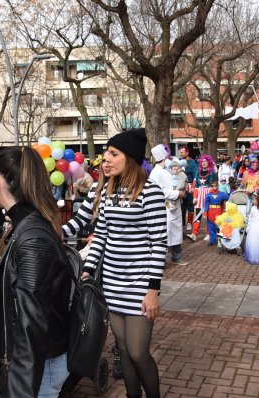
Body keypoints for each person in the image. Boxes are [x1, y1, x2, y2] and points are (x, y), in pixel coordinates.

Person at [0, 147, 72, 397]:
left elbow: (33, 324)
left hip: (41, 365)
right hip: (39, 362)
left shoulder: (32, 239)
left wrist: (19, 390)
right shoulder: (27, 224)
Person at [82, 128, 166, 398]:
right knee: (125, 351)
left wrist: (153, 290)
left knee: (139, 353)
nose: (105, 159)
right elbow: (102, 236)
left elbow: (158, 244)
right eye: (106, 153)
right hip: (112, 284)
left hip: (140, 287)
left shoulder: (150, 191)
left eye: (112, 154)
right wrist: (87, 270)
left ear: (128, 158)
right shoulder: (110, 191)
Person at [150, 144, 187, 265]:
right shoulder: (155, 173)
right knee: (163, 235)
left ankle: (176, 256)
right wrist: (178, 193)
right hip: (164, 207)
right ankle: (160, 261)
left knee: (176, 233)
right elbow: (161, 191)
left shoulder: (167, 171)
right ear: (164, 158)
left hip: (174, 206)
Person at [189, 154, 218, 241]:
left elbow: (214, 186)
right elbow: (197, 186)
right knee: (198, 214)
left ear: (208, 163)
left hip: (208, 194)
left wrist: (212, 196)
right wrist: (195, 196)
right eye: (202, 161)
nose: (204, 163)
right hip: (200, 194)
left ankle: (209, 233)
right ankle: (194, 234)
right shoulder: (198, 173)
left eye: (205, 161)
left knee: (209, 215)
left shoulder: (212, 173)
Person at [203, 180, 228, 246]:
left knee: (219, 227)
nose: (214, 187)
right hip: (211, 212)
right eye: (212, 186)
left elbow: (228, 199)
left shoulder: (222, 194)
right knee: (211, 227)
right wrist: (205, 213)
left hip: (219, 212)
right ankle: (212, 241)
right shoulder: (208, 195)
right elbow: (206, 204)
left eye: (216, 185)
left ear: (218, 186)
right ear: (211, 186)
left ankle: (220, 241)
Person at [179, 146, 197, 232]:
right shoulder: (179, 162)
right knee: (182, 206)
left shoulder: (192, 162)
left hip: (189, 187)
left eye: (182, 152)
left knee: (190, 205)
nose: (181, 154)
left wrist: (193, 187)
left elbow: (195, 175)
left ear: (187, 153)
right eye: (180, 152)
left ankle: (189, 222)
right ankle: (182, 224)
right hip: (181, 187)